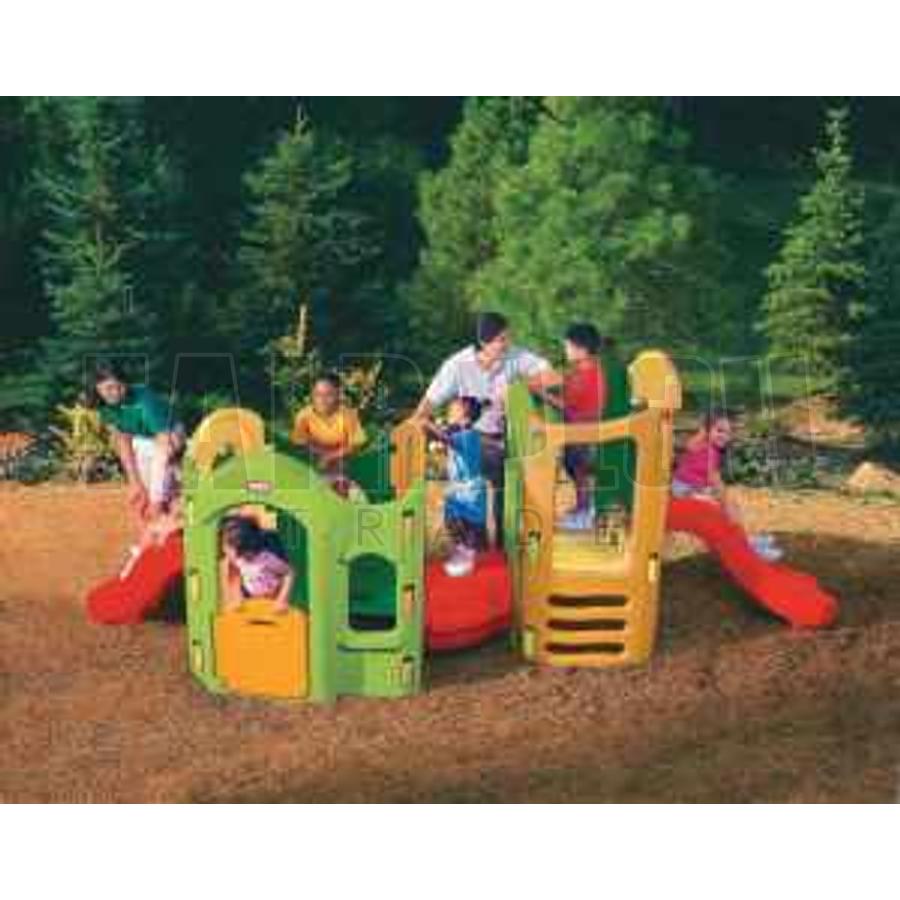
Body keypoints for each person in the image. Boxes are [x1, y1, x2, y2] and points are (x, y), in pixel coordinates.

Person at [414, 312, 550, 547]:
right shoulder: (457, 366)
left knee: (505, 481)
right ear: (484, 342)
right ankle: (474, 539)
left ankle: (502, 542)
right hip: (471, 442)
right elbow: (424, 409)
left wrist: (520, 386)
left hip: (502, 442)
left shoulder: (514, 356)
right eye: (501, 340)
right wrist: (430, 426)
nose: (507, 344)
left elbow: (551, 375)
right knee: (471, 490)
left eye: (508, 338)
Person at [672, 410, 782, 562]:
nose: (724, 436)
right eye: (719, 430)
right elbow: (716, 482)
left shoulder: (709, 449)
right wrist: (724, 502)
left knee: (731, 507)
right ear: (706, 431)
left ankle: (746, 540)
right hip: (684, 492)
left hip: (693, 489)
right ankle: (746, 549)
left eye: (728, 433)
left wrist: (726, 502)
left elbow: (712, 482)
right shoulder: (702, 447)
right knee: (719, 510)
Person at [529, 322, 607, 530]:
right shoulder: (592, 370)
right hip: (586, 428)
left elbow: (566, 404)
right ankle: (584, 508)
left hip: (580, 430)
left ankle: (585, 511)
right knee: (577, 470)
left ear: (582, 349)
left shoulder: (582, 376)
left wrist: (541, 394)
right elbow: (564, 382)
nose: (566, 351)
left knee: (578, 469)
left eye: (568, 347)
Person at [94, 362, 184, 523]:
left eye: (119, 386)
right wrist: (135, 483)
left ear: (126, 384)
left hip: (170, 435)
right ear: (97, 389)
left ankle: (172, 504)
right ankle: (163, 516)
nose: (115, 392)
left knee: (159, 493)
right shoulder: (104, 407)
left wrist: (157, 497)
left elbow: (166, 444)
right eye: (108, 388)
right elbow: (124, 441)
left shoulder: (144, 402)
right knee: (144, 493)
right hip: (143, 438)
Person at [424, 396, 488, 577]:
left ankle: (467, 557)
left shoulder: (469, 436)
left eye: (454, 411)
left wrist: (426, 423)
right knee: (453, 523)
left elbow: (444, 438)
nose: (449, 413)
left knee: (467, 526)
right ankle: (463, 552)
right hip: (458, 491)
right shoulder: (461, 433)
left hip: (470, 491)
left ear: (466, 418)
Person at [290, 373, 367, 495]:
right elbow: (300, 444)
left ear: (338, 395)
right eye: (318, 395)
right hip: (314, 462)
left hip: (341, 463)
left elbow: (356, 445)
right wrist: (321, 456)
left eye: (328, 395)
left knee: (340, 483)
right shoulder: (303, 416)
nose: (322, 400)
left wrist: (331, 456)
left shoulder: (348, 415)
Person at [221, 515, 296, 614]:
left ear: (249, 548)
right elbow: (235, 574)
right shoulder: (237, 558)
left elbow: (289, 573)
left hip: (271, 599)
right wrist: (238, 598)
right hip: (251, 598)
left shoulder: (265, 558)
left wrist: (282, 599)